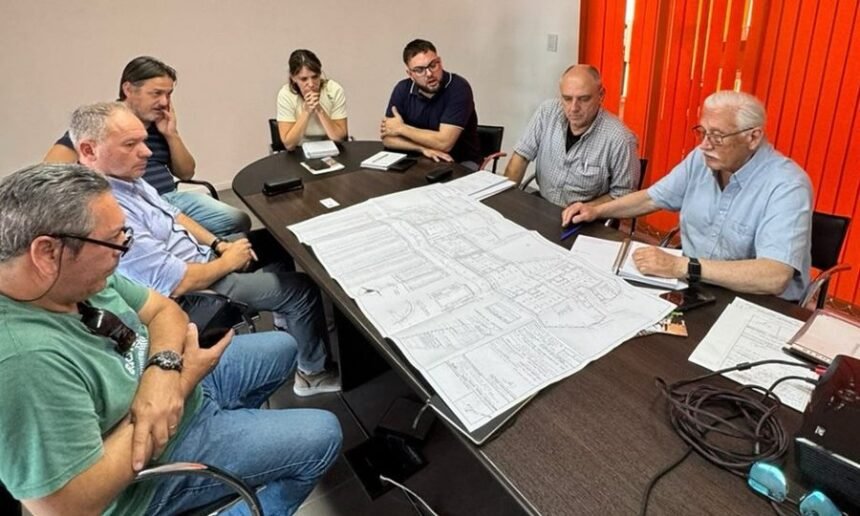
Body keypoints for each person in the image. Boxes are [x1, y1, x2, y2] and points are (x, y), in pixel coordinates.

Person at [0, 163, 342, 515]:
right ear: (47, 253)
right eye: (113, 241)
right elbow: (66, 508)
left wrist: (162, 372)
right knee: (324, 435)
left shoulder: (69, 279)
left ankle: (235, 437)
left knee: (283, 347)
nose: (123, 251)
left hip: (173, 382)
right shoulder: (22, 361)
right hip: (147, 476)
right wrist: (178, 386)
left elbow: (166, 311)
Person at [71, 101, 340, 396]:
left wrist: (218, 243)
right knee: (302, 289)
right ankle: (312, 374)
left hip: (204, 260)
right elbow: (178, 281)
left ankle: (285, 319)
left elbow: (175, 215)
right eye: (130, 144)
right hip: (195, 291)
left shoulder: (128, 180)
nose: (146, 152)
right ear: (88, 151)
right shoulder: (107, 213)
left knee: (276, 243)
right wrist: (229, 260)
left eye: (144, 141)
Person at [562, 91, 812, 300]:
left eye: (717, 136)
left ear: (753, 137)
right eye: (702, 132)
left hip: (755, 304)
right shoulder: (701, 159)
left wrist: (683, 266)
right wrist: (596, 210)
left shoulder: (787, 185)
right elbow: (652, 197)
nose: (704, 144)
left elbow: (775, 276)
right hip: (697, 288)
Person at [43, 56, 251, 237]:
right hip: (130, 206)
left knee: (236, 219)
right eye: (156, 93)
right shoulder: (105, 123)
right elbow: (49, 173)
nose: (164, 102)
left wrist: (171, 134)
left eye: (168, 94)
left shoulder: (158, 123)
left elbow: (186, 173)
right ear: (128, 89)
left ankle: (200, 256)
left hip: (169, 200)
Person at [504, 65, 640, 207]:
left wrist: (585, 210)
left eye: (584, 99)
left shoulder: (620, 139)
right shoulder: (547, 112)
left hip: (588, 217)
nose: (574, 108)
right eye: (567, 99)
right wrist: (503, 202)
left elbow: (624, 195)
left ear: (601, 95)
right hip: (544, 205)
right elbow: (521, 157)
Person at [380, 39, 481, 168]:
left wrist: (401, 128)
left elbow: (444, 143)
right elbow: (388, 139)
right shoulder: (402, 89)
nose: (429, 74)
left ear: (440, 61)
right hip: (421, 159)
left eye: (433, 65)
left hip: (459, 161)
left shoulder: (458, 87)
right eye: (419, 70)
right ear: (410, 74)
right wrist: (422, 148)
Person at [276, 49, 348, 151]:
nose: (311, 84)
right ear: (293, 78)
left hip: (331, 147)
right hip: (298, 150)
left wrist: (319, 110)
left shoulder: (334, 90)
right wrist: (306, 111)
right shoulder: (286, 94)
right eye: (304, 79)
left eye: (315, 77)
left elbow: (339, 138)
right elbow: (289, 145)